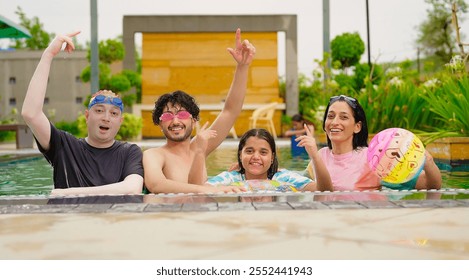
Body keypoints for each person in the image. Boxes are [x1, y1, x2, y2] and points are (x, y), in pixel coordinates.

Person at [21, 31, 144, 195]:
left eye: (114, 114)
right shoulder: (65, 146)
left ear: (120, 121)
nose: (106, 118)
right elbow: (31, 113)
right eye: (99, 111)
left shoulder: (129, 152)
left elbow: (132, 188)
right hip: (71, 219)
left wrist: (65, 193)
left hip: (112, 219)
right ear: (87, 116)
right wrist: (48, 55)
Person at [143, 28, 255, 194]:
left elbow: (230, 111)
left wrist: (243, 66)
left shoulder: (200, 146)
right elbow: (156, 185)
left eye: (182, 114)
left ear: (193, 120)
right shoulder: (154, 155)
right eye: (167, 116)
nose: (175, 121)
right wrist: (207, 189)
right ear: (160, 123)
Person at [305, 95, 442, 191]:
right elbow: (302, 182)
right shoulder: (320, 156)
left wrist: (428, 161)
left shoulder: (374, 158)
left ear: (357, 126)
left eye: (344, 117)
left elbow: (429, 185)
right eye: (330, 116)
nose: (334, 122)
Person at [206, 128, 333, 192]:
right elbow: (202, 190)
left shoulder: (285, 178)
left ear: (272, 158)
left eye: (263, 152)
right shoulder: (230, 178)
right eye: (249, 151)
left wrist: (315, 156)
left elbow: (324, 191)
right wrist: (199, 152)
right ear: (240, 155)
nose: (256, 157)